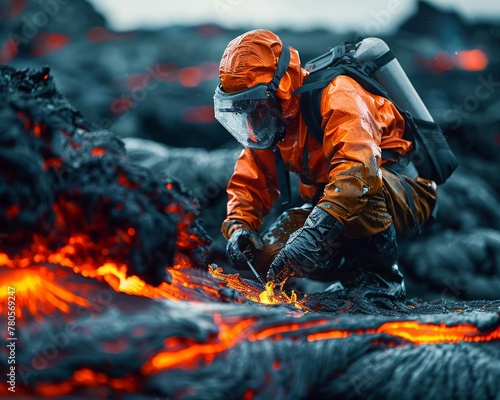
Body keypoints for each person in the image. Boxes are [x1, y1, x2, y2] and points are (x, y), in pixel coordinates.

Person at [213, 29, 437, 300]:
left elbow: (359, 168)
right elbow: (250, 181)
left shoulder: (337, 95)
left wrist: (314, 234)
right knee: (265, 255)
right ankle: (354, 279)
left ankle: (383, 283)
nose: (250, 122)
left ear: (279, 89)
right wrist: (239, 227)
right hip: (336, 205)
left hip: (404, 192)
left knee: (360, 188)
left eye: (254, 106)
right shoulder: (272, 124)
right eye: (242, 110)